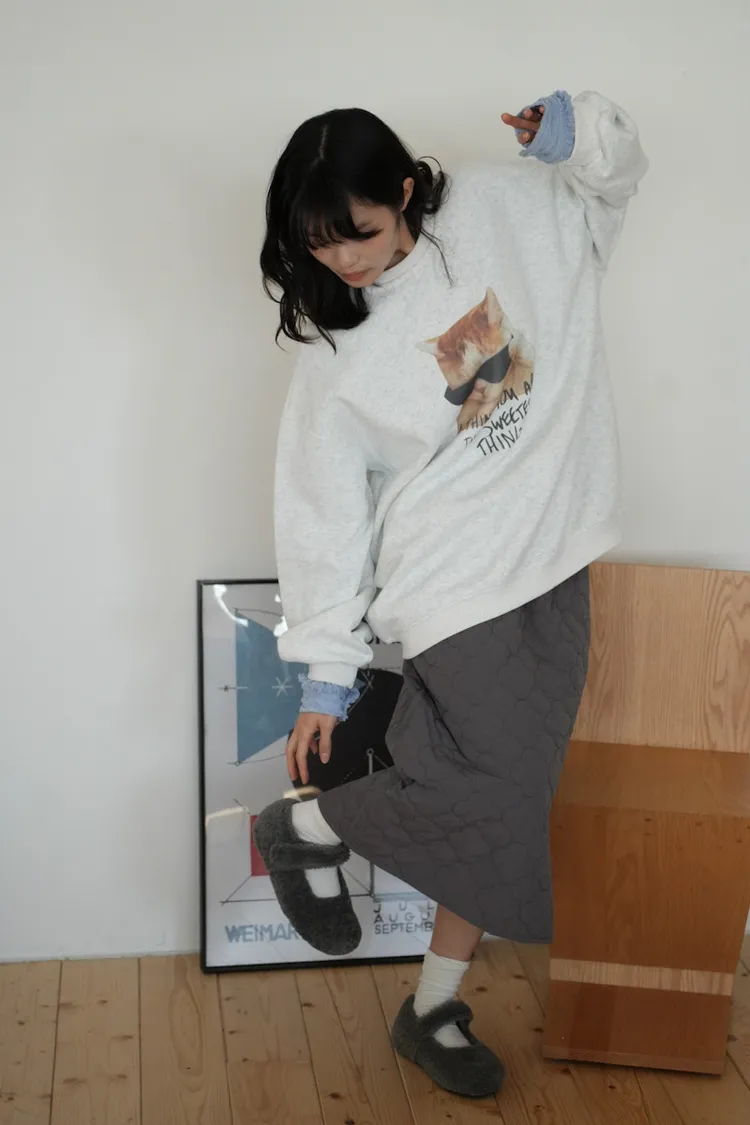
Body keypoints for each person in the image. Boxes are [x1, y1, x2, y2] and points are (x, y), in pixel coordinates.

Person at [254, 89, 648, 1099]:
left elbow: (612, 182)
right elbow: (322, 520)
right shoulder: (336, 356)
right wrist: (326, 677)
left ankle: (431, 1007)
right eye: (318, 244)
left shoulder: (506, 211)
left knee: (508, 808)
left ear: (403, 191)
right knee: (500, 791)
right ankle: (309, 830)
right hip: (451, 585)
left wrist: (574, 131)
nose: (343, 260)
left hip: (554, 556)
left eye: (358, 232)